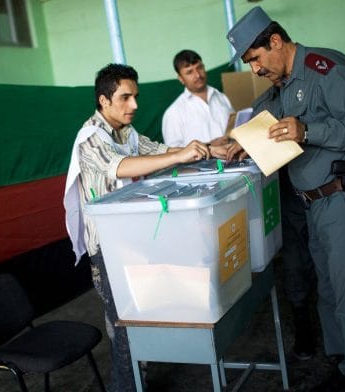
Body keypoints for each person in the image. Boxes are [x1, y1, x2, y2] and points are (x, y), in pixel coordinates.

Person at [226, 6, 345, 390]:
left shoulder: (325, 69)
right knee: (331, 291)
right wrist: (236, 140)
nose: (255, 69)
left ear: (276, 41)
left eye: (256, 58)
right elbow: (264, 119)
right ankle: (344, 359)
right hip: (315, 204)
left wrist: (307, 130)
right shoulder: (284, 84)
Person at [63, 63, 239, 392]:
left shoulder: (126, 134)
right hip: (109, 250)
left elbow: (157, 150)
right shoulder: (90, 138)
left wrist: (206, 150)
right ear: (104, 101)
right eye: (125, 98)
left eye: (136, 96)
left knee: (142, 319)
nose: (135, 105)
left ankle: (139, 376)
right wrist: (178, 157)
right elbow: (122, 167)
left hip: (134, 239)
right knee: (125, 330)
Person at [251, 82, 317, 361]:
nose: (258, 68)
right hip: (287, 194)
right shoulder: (264, 103)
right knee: (294, 265)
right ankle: (304, 329)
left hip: (323, 191)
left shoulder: (316, 88)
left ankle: (340, 329)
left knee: (329, 262)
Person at [162, 49, 236, 147]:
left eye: (200, 67)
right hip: (202, 162)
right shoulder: (174, 113)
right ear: (180, 78)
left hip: (233, 160)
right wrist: (209, 146)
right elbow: (173, 152)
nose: (198, 75)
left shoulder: (222, 98)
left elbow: (235, 129)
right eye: (189, 72)